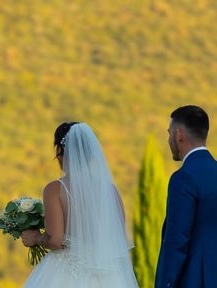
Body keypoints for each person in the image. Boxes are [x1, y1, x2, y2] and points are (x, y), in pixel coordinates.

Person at [21, 121, 139, 287]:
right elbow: (117, 241)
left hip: (66, 275)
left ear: (60, 152)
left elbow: (55, 240)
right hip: (109, 277)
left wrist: (36, 238)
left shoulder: (55, 189)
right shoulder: (111, 191)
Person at [155, 105, 217, 287]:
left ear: (178, 134)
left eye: (169, 132)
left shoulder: (183, 178)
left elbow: (177, 242)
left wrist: (165, 284)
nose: (169, 139)